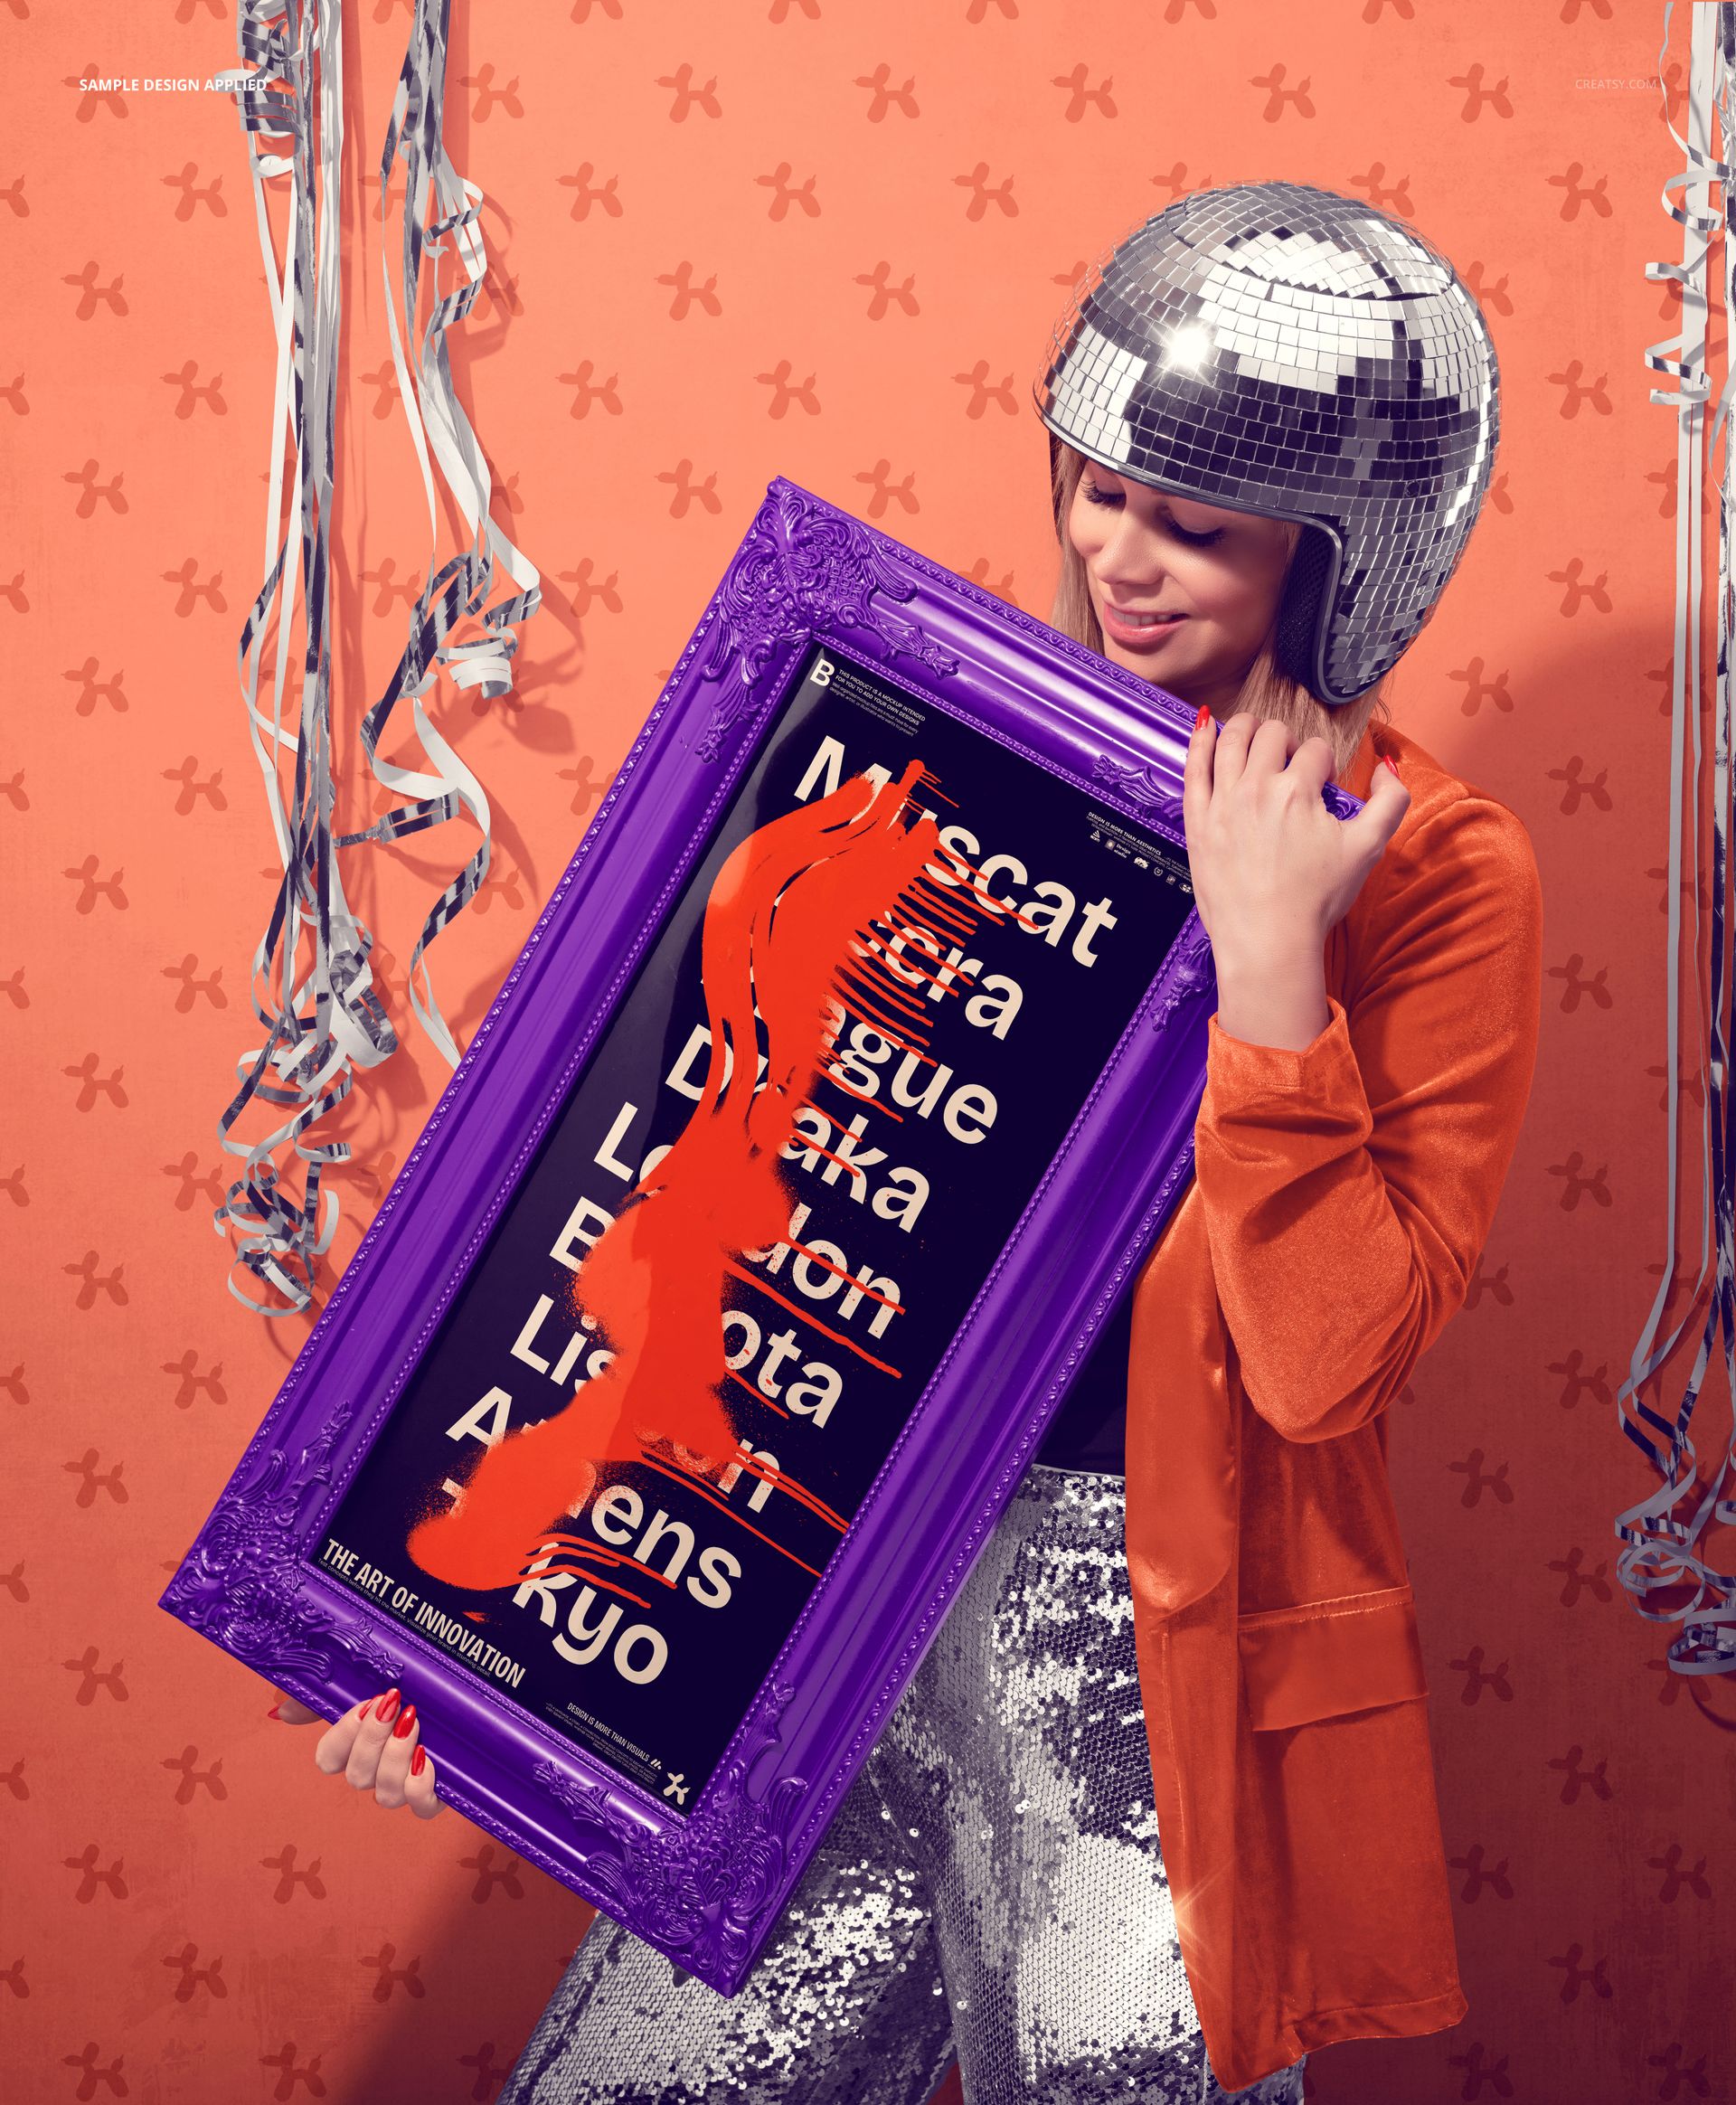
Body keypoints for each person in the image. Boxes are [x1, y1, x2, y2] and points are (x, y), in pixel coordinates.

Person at [271, 181, 1543, 2103]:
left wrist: (1275, 961)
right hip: (809, 1613)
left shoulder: (1434, 868)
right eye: (1098, 492)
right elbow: (706, 1212)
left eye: (1195, 528)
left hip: (1138, 1661)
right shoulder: (938, 763)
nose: (1118, 557)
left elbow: (1324, 1364)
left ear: (1349, 557)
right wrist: (456, 1638)